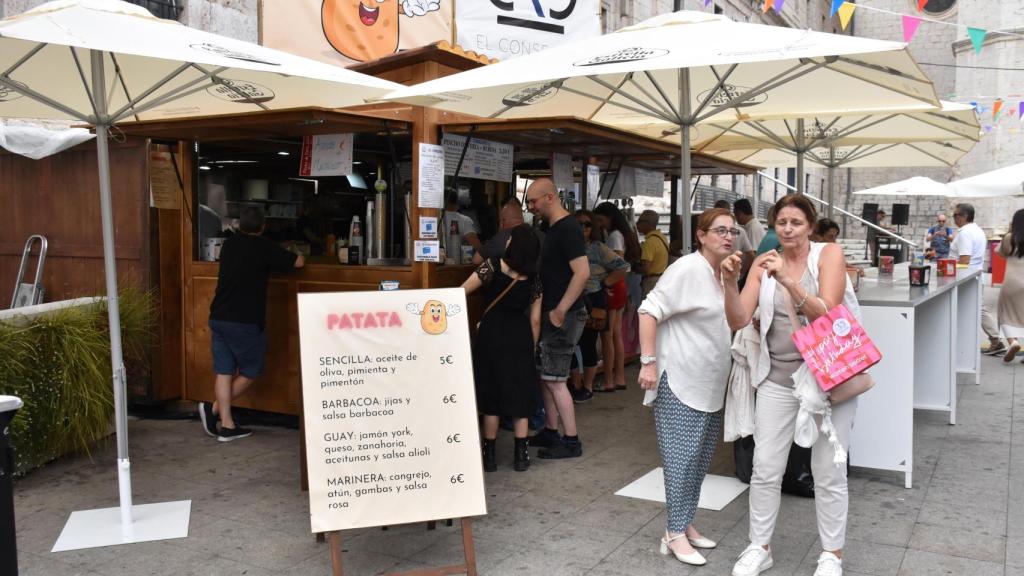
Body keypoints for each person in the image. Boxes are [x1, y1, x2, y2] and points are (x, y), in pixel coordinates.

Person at [722, 195, 859, 576]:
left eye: (795, 222)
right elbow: (738, 319)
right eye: (780, 222)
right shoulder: (762, 264)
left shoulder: (827, 254)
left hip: (827, 378)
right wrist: (730, 282)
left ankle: (832, 554)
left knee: (828, 469)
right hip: (776, 379)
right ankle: (759, 547)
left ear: (809, 226)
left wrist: (787, 279)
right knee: (765, 468)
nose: (787, 228)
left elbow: (827, 312)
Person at [637, 208, 737, 567]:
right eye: (720, 231)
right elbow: (648, 310)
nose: (728, 237)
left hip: (709, 383)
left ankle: (684, 522)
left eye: (733, 231)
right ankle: (674, 533)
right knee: (680, 461)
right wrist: (648, 363)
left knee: (698, 460)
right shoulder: (687, 269)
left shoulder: (723, 273)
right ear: (701, 235)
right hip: (680, 380)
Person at [200, 206, 305, 442]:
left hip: (218, 316)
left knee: (224, 371)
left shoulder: (229, 245)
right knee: (251, 371)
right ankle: (215, 410)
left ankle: (226, 423)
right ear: (263, 226)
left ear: (239, 224)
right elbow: (298, 263)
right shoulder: (263, 247)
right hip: (244, 320)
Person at [462, 224, 543, 472]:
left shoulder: (493, 265)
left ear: (512, 245)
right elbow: (536, 319)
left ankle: (489, 456)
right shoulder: (535, 278)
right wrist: (532, 346)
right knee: (520, 396)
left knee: (492, 396)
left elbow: (463, 290)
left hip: (491, 334)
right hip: (519, 336)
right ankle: (521, 456)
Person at [525, 178, 590, 459]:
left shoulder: (568, 229)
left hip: (564, 314)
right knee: (547, 375)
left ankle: (571, 440)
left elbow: (582, 272)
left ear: (550, 197)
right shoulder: (552, 228)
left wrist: (561, 309)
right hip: (554, 312)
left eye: (533, 201)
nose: (531, 207)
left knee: (555, 379)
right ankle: (551, 432)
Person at [570, 210, 630, 403]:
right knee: (570, 344)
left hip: (593, 300)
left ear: (592, 228)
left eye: (587, 225)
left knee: (588, 344)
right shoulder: (568, 247)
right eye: (578, 224)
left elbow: (623, 266)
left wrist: (605, 284)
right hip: (571, 299)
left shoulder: (598, 248)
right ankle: (576, 384)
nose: (582, 228)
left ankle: (587, 386)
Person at [594, 202, 641, 392]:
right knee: (616, 334)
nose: (598, 224)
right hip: (621, 286)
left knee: (608, 335)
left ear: (609, 217)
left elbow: (618, 261)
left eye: (599, 219)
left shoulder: (614, 236)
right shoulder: (622, 234)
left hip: (612, 285)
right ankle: (619, 377)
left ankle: (608, 380)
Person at [951, 203, 1003, 355]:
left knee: (975, 309)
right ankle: (995, 339)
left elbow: (965, 259)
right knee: (978, 308)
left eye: (956, 215)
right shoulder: (977, 230)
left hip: (965, 277)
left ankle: (995, 339)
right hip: (974, 276)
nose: (953, 218)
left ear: (964, 216)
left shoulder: (965, 233)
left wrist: (947, 266)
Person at [997, 209, 1024, 363]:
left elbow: (1001, 253)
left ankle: (1013, 341)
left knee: (1004, 313)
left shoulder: (1009, 238)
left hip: (1011, 283)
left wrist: (1009, 231)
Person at [636, 210, 670, 297]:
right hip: (661, 279)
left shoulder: (649, 242)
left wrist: (633, 268)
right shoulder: (661, 237)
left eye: (640, 221)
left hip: (651, 283)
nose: (636, 223)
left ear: (648, 223)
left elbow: (646, 269)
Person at [443, 190, 482, 257]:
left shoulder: (436, 219)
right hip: (458, 264)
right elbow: (478, 248)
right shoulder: (465, 220)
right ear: (457, 203)